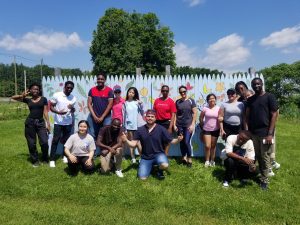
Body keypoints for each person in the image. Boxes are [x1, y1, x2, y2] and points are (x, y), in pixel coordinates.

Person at [121, 110, 183, 180]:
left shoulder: (161, 129)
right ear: (145, 118)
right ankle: (152, 168)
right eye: (148, 116)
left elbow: (172, 141)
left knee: (165, 165)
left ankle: (159, 170)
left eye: (152, 117)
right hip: (146, 157)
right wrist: (126, 140)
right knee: (142, 178)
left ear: (155, 118)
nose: (150, 118)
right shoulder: (140, 130)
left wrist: (178, 139)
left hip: (159, 154)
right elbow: (133, 144)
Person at [245, 77, 279, 190]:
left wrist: (270, 133)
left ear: (262, 84)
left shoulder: (269, 97)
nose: (256, 86)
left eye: (258, 84)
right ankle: (261, 173)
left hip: (265, 133)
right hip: (254, 133)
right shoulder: (251, 100)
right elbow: (247, 116)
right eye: (254, 84)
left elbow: (274, 114)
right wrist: (247, 130)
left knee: (265, 156)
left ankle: (264, 180)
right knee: (258, 155)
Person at [11, 83, 50, 167]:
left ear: (39, 90)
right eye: (33, 89)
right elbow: (13, 97)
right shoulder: (27, 100)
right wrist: (23, 94)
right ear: (30, 90)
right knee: (31, 143)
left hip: (40, 123)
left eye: (37, 89)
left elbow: (45, 111)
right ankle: (35, 161)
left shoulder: (43, 99)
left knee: (44, 142)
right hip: (30, 123)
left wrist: (48, 123)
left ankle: (45, 158)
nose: (35, 90)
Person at [49, 81, 76, 168]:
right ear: (64, 87)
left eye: (71, 88)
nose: (69, 89)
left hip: (68, 122)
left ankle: (64, 156)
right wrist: (58, 112)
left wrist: (72, 109)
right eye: (68, 87)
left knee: (66, 140)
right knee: (55, 140)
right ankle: (52, 159)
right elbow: (51, 107)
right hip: (58, 122)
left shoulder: (73, 98)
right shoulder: (57, 95)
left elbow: (73, 110)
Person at [174, 85, 197, 167]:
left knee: (186, 142)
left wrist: (193, 124)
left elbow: (195, 113)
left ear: (186, 91)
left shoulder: (191, 101)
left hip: (188, 125)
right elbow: (175, 114)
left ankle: (189, 158)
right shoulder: (177, 102)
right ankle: (183, 157)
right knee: (181, 141)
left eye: (184, 91)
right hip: (179, 125)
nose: (182, 93)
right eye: (181, 92)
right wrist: (174, 125)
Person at [87, 73, 114, 140]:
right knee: (92, 134)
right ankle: (93, 149)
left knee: (105, 134)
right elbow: (89, 104)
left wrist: (102, 117)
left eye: (102, 79)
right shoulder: (92, 90)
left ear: (105, 80)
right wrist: (94, 116)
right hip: (93, 117)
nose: (100, 80)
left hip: (106, 117)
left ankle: (104, 149)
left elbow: (110, 105)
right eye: (98, 79)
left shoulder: (109, 90)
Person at [153, 85, 176, 155]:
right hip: (158, 123)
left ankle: (165, 156)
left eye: (166, 91)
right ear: (161, 91)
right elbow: (154, 112)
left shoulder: (171, 101)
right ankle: (159, 155)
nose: (165, 92)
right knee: (158, 140)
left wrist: (170, 127)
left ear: (168, 92)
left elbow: (173, 115)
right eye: (163, 91)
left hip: (166, 123)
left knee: (167, 140)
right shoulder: (157, 100)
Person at [122, 87, 143, 164]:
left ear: (135, 94)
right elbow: (124, 115)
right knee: (131, 142)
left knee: (138, 142)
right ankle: (133, 157)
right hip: (129, 125)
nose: (131, 93)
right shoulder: (125, 103)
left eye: (133, 92)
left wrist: (141, 104)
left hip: (137, 125)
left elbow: (142, 112)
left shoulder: (137, 102)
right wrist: (124, 126)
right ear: (127, 93)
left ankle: (142, 157)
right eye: (130, 92)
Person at [199, 93, 220, 167]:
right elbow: (201, 117)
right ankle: (207, 160)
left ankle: (212, 160)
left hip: (216, 129)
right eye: (210, 99)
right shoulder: (205, 108)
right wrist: (202, 125)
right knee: (207, 146)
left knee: (213, 146)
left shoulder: (218, 108)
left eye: (213, 98)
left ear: (215, 99)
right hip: (206, 129)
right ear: (207, 100)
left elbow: (220, 118)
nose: (211, 100)